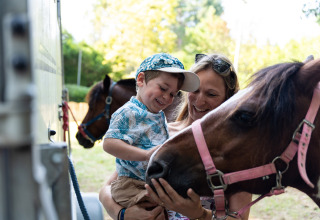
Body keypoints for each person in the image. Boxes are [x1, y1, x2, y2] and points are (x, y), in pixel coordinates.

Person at [99, 53, 252, 220]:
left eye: (211, 94)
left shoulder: (234, 151)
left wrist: (200, 214)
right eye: (195, 91)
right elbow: (108, 187)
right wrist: (122, 214)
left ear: (227, 100)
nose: (199, 101)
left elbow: (239, 218)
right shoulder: (162, 133)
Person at [103, 53, 200, 212]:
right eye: (163, 88)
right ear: (141, 80)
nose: (167, 98)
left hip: (148, 182)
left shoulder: (157, 115)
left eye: (172, 94)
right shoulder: (128, 112)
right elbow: (109, 143)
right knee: (162, 205)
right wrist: (146, 155)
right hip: (130, 184)